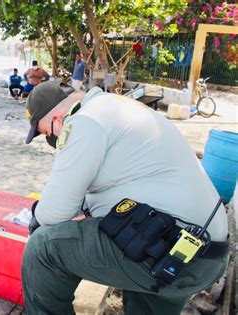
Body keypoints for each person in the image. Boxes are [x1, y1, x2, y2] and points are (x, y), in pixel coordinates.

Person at [22, 81, 229, 315]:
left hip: (170, 247)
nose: (51, 141)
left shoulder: (84, 121)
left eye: (47, 133)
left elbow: (54, 213)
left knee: (43, 248)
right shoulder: (116, 108)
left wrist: (38, 216)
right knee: (129, 246)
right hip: (202, 254)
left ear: (58, 119)